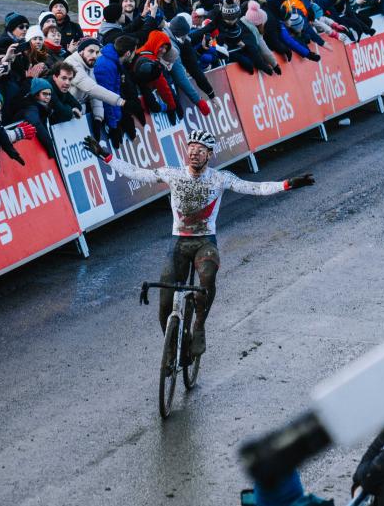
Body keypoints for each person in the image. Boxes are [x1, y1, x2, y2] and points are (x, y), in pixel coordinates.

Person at [81, 130, 312, 358]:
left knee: (208, 275)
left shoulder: (220, 178)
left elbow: (255, 188)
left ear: (209, 155)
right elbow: (137, 174)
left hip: (204, 242)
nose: (194, 153)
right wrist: (105, 155)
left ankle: (199, 325)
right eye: (191, 148)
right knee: (164, 303)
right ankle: (172, 348)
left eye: (200, 150)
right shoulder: (173, 174)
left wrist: (287, 184)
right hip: (178, 243)